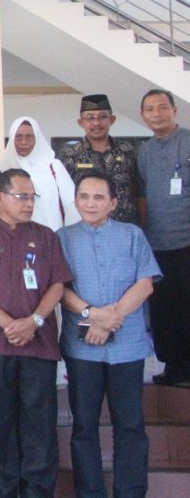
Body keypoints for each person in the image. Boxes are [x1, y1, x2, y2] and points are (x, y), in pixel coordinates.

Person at [0, 168, 71, 497]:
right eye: (21, 196)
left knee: (39, 424)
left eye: (32, 197)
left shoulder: (45, 236)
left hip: (38, 344)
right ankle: (3, 490)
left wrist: (33, 321)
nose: (28, 203)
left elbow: (58, 284)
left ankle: (38, 491)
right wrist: (6, 323)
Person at [59, 171, 160, 497]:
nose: (90, 203)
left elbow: (145, 283)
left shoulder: (132, 235)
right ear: (75, 201)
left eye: (99, 197)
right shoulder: (62, 238)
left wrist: (109, 319)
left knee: (130, 425)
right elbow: (59, 289)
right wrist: (93, 316)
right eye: (84, 197)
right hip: (82, 346)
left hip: (127, 344)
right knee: (84, 426)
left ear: (113, 203)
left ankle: (130, 492)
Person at [136, 88, 190, 386]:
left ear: (174, 110)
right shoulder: (145, 151)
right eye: (149, 109)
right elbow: (143, 195)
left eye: (162, 107)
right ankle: (173, 368)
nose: (156, 114)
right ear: (143, 115)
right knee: (164, 310)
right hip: (157, 244)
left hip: (187, 242)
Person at [59, 94, 139, 224]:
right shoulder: (69, 155)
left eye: (102, 117)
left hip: (125, 227)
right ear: (81, 122)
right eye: (90, 118)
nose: (96, 123)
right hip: (85, 228)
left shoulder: (128, 151)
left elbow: (138, 190)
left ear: (112, 120)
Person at [0, 116, 79, 230]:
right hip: (14, 236)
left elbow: (72, 204)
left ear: (37, 138)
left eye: (29, 137)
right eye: (18, 137)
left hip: (51, 235)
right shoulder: (4, 169)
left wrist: (68, 235)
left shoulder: (54, 167)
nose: (23, 142)